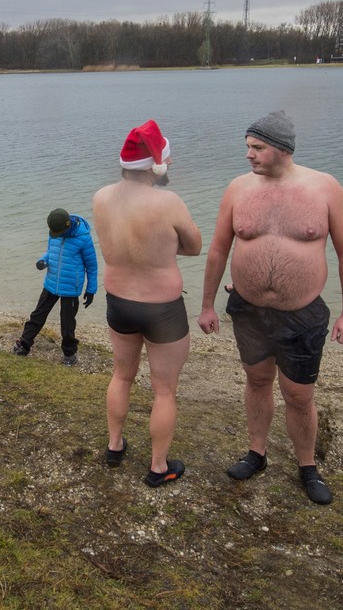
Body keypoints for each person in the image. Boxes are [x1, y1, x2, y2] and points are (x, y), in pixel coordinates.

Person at [196, 110, 343, 505]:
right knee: (256, 381)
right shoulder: (237, 188)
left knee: (299, 396)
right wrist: (207, 305)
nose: (248, 154)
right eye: (247, 146)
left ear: (283, 149)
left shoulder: (325, 188)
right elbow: (218, 250)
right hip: (249, 309)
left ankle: (308, 467)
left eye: (257, 147)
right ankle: (257, 453)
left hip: (302, 314)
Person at [92, 119, 202, 487]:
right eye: (166, 159)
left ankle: (114, 445)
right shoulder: (168, 202)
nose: (170, 164)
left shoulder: (101, 197)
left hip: (119, 300)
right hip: (161, 308)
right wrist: (163, 248)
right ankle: (158, 467)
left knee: (121, 375)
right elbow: (194, 246)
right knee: (164, 390)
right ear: (155, 165)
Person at [12, 208, 98, 366]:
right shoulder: (55, 232)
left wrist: (91, 290)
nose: (55, 235)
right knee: (37, 315)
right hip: (51, 282)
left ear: (67, 226)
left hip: (70, 288)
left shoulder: (84, 238)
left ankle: (69, 354)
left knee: (67, 323)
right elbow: (50, 252)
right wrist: (43, 260)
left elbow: (92, 267)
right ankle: (24, 344)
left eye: (58, 232)